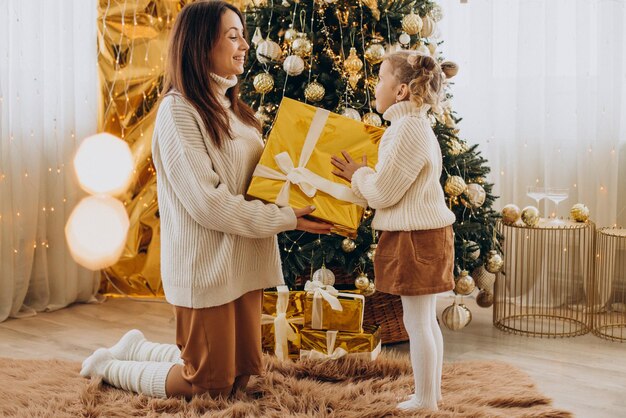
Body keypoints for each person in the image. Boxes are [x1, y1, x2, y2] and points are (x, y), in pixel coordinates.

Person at [80, 0, 331, 400]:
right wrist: (286, 218)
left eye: (243, 35)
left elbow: (261, 184)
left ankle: (139, 347)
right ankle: (110, 365)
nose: (245, 45)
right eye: (233, 36)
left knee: (240, 376)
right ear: (201, 46)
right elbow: (207, 204)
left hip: (244, 264)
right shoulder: (178, 112)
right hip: (207, 269)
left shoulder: (239, 113)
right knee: (207, 386)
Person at [331, 51, 456, 412]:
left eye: (381, 77)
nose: (375, 84)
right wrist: (369, 174)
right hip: (424, 232)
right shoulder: (413, 126)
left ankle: (425, 401)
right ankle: (431, 394)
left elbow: (383, 192)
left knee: (416, 322)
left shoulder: (406, 131)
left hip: (414, 236)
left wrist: (358, 173)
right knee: (424, 320)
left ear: (401, 90)